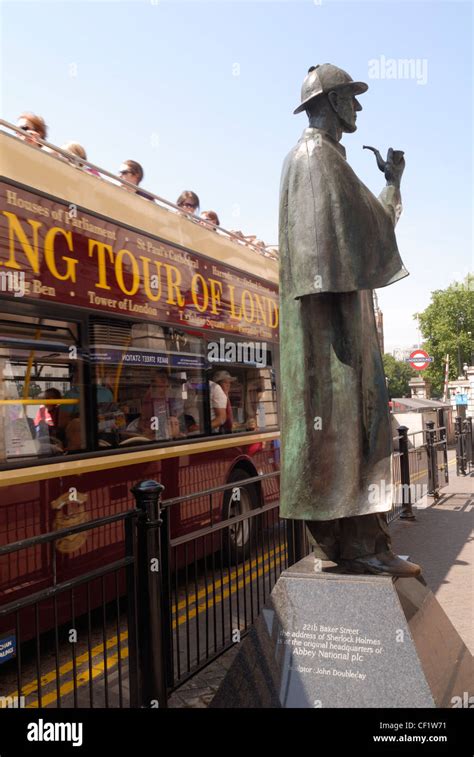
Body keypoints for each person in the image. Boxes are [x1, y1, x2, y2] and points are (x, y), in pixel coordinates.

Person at [278, 63, 420, 577]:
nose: (358, 108)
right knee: (340, 431)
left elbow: (369, 230)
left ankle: (369, 544)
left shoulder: (326, 160)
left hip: (344, 315)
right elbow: (328, 257)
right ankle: (347, 548)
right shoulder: (314, 158)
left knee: (362, 428)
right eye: (352, 99)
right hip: (330, 326)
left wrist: (391, 185)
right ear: (333, 101)